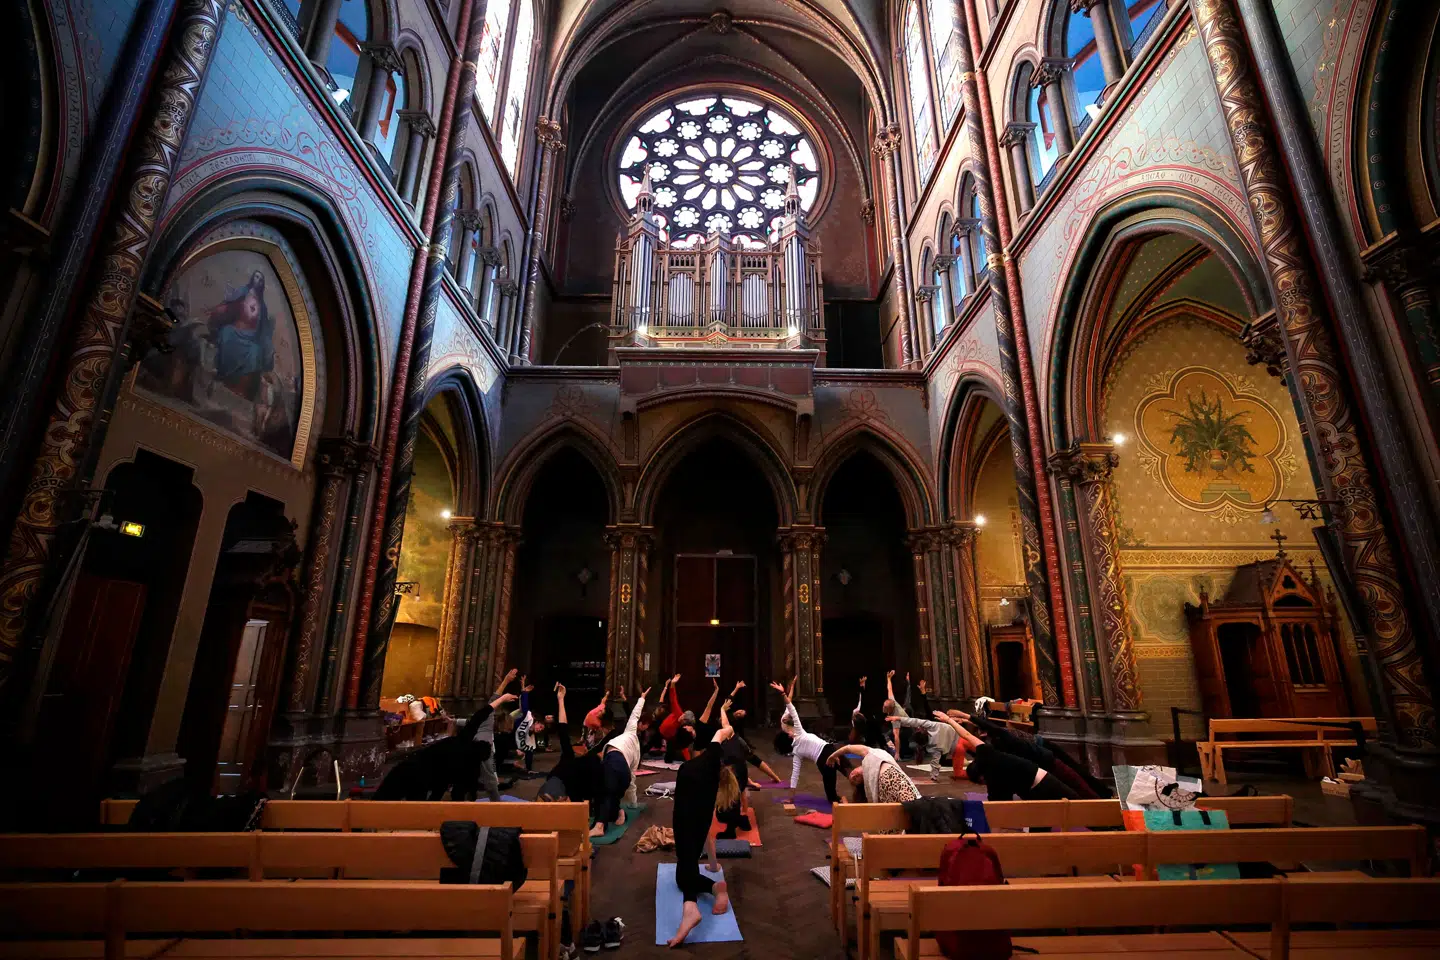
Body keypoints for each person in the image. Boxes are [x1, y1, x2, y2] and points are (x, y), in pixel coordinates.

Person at [667, 718, 738, 947]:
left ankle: (690, 907)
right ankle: (715, 887)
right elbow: (707, 832)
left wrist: (728, 729)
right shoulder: (712, 773)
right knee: (683, 872)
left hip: (684, 819)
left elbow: (720, 732)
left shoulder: (707, 758)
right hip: (696, 823)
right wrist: (714, 865)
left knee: (685, 863)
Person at [375, 692, 515, 800]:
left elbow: (479, 716)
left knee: (384, 799)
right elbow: (452, 789)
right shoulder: (464, 766)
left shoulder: (464, 740)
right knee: (412, 804)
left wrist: (501, 699)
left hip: (411, 767)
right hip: (421, 776)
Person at [931, 711, 1079, 801]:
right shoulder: (993, 770)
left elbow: (969, 734)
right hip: (1035, 784)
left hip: (1046, 763)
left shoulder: (990, 754)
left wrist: (953, 720)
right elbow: (1000, 805)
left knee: (1079, 795)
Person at [771, 677, 846, 804]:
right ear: (788, 736)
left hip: (823, 759)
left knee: (832, 796)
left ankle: (841, 800)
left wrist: (790, 797)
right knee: (848, 772)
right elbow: (791, 708)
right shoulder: (798, 732)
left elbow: (795, 775)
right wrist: (782, 692)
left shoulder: (796, 753)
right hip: (827, 751)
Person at [826, 741, 921, 804]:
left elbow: (848, 748)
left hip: (898, 779)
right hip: (888, 785)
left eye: (853, 774)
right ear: (864, 782)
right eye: (856, 779)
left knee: (916, 804)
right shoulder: (872, 785)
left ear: (858, 767)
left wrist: (832, 756)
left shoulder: (868, 754)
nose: (854, 775)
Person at [892, 711, 962, 781]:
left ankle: (964, 762)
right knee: (941, 759)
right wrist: (899, 718)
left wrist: (933, 776)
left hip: (955, 741)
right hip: (950, 734)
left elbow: (935, 762)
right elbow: (915, 721)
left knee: (950, 765)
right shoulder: (931, 726)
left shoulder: (936, 746)